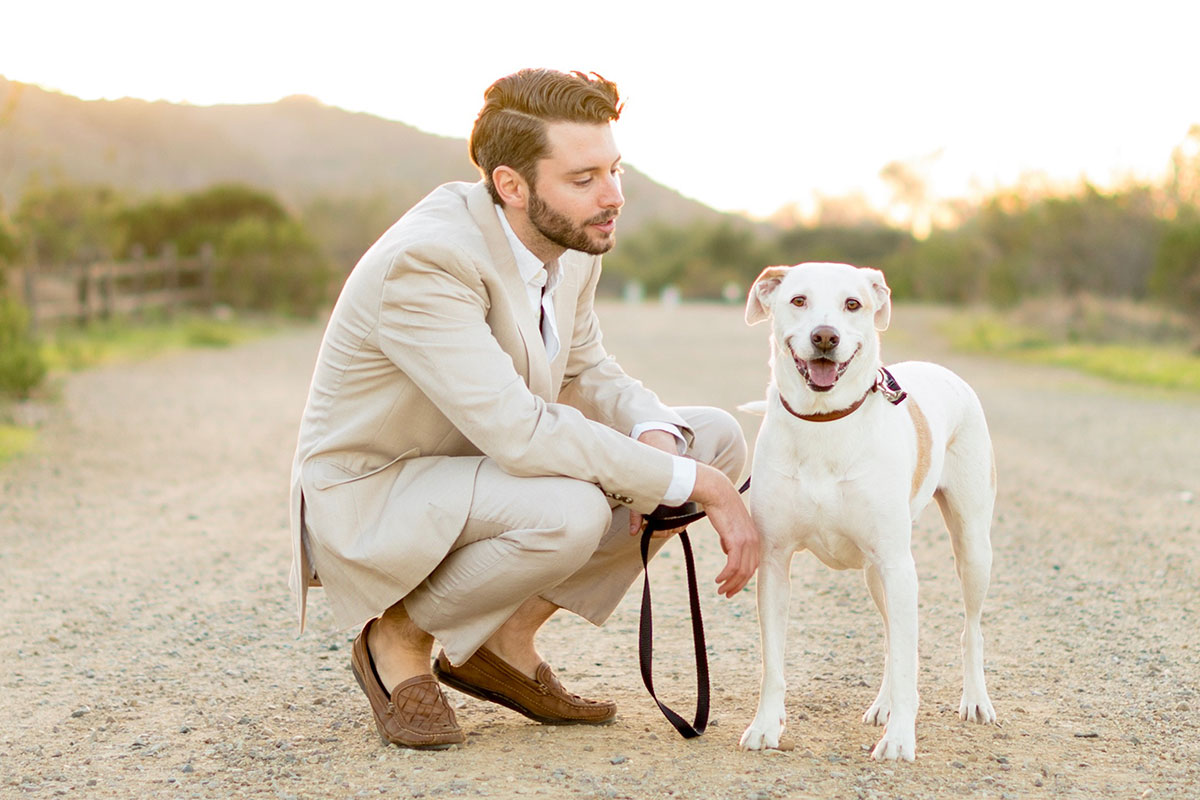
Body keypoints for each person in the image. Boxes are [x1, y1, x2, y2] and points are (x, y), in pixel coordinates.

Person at [288, 67, 759, 749]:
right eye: (584, 178)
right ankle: (396, 638)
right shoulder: (429, 259)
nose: (613, 196)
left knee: (706, 438)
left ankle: (503, 640)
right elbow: (519, 432)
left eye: (614, 171)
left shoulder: (569, 237)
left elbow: (586, 368)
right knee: (571, 511)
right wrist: (692, 486)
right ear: (511, 184)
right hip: (380, 489)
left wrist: (657, 437)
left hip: (483, 467)